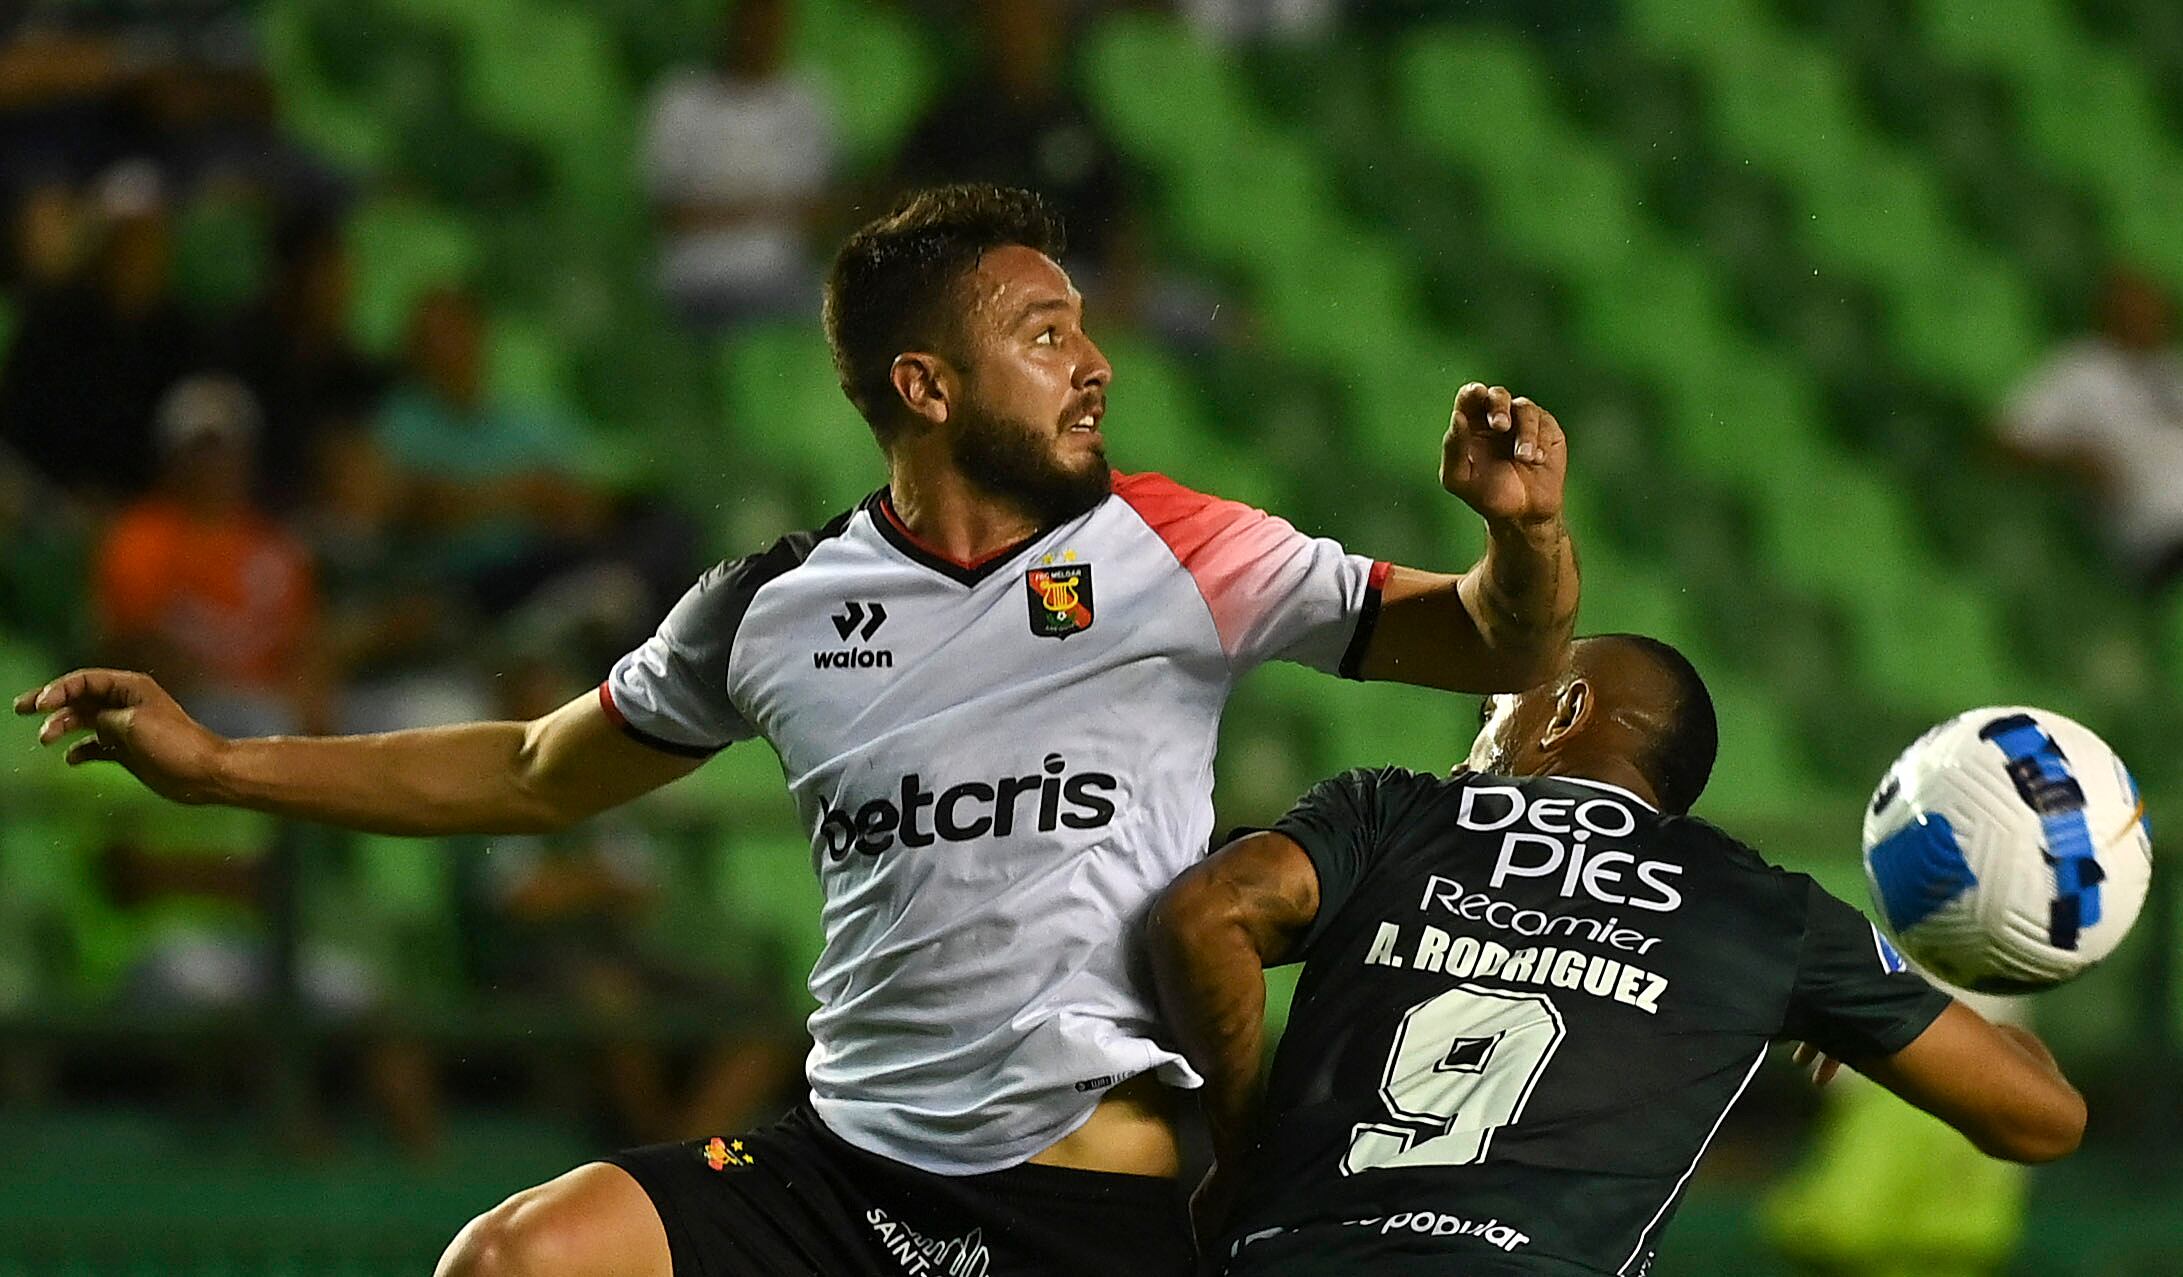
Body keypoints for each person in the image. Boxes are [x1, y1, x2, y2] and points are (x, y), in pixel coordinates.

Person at [15, 183, 1580, 1277]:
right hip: (844, 1184)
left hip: (1097, 1202)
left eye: (1083, 328)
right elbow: (525, 769)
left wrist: (1522, 536)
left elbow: (1497, 642)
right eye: (1043, 334)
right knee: (520, 1256)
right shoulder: (767, 606)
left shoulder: (1181, 545)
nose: (1093, 362)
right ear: (926, 383)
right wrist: (219, 761)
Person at [1147, 634, 2085, 1276]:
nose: (1481, 738)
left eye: (1498, 709)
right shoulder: (1762, 910)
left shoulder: (1394, 809)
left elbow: (1205, 917)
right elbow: (2042, 1122)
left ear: (1565, 710)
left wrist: (1239, 1151)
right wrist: (1935, 987)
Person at [638, 0, 837, 328]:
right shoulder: (680, 100)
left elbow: (823, 209)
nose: (758, 35)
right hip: (695, 285)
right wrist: (775, 207)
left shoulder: (805, 102)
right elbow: (668, 214)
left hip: (783, 282)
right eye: (750, 22)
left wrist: (724, 207)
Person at [1999, 268, 2183, 592]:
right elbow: (2005, 443)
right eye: (2135, 308)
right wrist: (2072, 457)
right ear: (2109, 314)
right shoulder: (2079, 372)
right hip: (2154, 535)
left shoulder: (2171, 371)